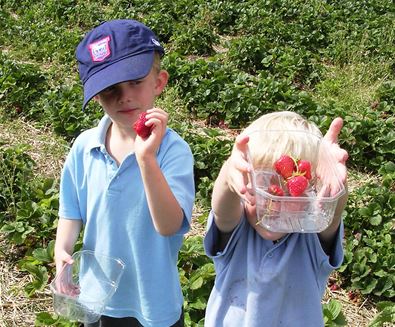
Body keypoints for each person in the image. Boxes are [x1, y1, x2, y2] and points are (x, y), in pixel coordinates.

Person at [54, 19, 195, 327]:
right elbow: (72, 211)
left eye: (134, 82)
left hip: (153, 303)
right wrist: (62, 250)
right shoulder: (84, 147)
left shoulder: (173, 151)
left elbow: (170, 225)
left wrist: (146, 159)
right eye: (109, 90)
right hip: (96, 295)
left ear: (158, 82)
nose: (124, 96)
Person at [203, 111, 348, 327]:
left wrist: (337, 186)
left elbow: (332, 216)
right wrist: (228, 175)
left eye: (290, 190)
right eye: (263, 185)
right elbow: (222, 210)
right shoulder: (237, 230)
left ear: (310, 193)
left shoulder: (310, 236)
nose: (274, 201)